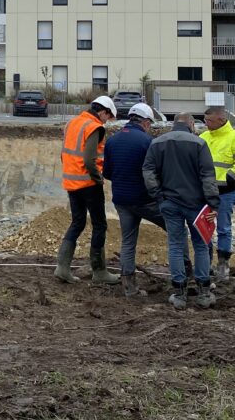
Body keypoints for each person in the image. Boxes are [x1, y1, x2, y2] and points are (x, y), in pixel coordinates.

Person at [104, 102, 188, 298]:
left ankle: (129, 287)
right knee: (177, 230)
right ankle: (185, 276)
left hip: (122, 199)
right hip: (145, 200)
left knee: (128, 241)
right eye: (149, 123)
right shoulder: (147, 141)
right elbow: (156, 172)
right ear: (145, 122)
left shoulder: (112, 140)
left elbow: (107, 172)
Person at [142, 112, 219, 310]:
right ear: (191, 124)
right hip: (197, 205)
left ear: (173, 123)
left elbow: (148, 171)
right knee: (201, 245)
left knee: (176, 246)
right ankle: (203, 293)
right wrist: (213, 203)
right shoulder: (199, 144)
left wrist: (158, 196)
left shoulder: (157, 143)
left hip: (169, 203)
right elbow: (208, 175)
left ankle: (179, 294)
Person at [56, 94, 119, 286]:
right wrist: (98, 179)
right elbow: (89, 159)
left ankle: (62, 268)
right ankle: (99, 271)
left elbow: (64, 153)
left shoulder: (73, 123)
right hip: (89, 184)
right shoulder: (94, 127)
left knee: (77, 222)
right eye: (108, 117)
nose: (107, 121)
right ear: (103, 112)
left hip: (71, 183)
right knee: (99, 225)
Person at [199, 105, 235, 284]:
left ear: (221, 120)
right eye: (205, 120)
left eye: (210, 121)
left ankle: (223, 266)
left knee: (223, 228)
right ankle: (205, 264)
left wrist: (229, 178)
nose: (206, 124)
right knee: (203, 228)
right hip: (205, 192)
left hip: (225, 192)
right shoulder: (204, 137)